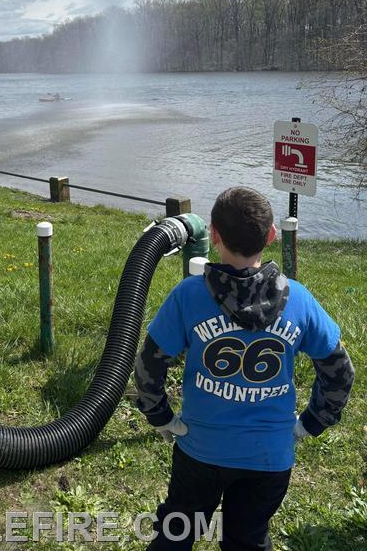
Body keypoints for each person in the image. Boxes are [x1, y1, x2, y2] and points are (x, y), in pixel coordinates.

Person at [135, 186, 355, 551]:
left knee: (176, 532)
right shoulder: (299, 299)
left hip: (200, 451)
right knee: (247, 539)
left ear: (215, 235)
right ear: (270, 236)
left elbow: (148, 365)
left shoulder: (189, 296)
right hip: (270, 457)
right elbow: (339, 370)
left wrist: (160, 416)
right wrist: (312, 422)